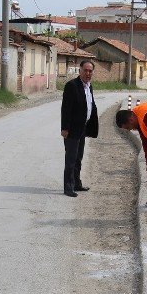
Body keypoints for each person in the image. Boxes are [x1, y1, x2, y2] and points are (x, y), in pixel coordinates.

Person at [60, 59, 98, 197]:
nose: (88, 73)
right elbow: (66, 109)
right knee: (70, 159)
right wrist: (64, 128)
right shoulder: (72, 86)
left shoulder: (89, 86)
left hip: (83, 128)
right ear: (80, 70)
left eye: (90, 71)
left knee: (78, 158)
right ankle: (68, 187)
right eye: (85, 70)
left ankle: (76, 183)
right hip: (71, 129)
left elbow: (90, 105)